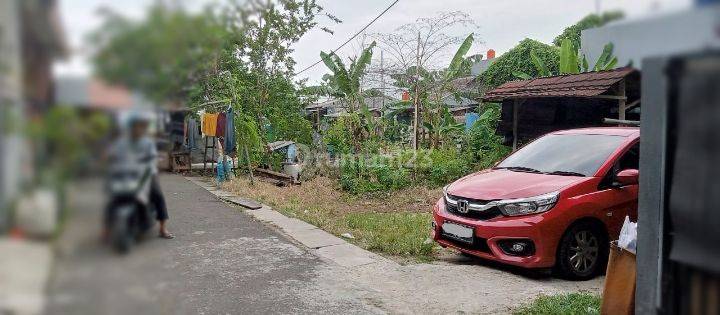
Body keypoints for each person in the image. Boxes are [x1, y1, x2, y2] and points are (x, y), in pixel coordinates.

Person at [104, 114, 174, 240]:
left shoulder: (147, 143)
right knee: (113, 198)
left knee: (157, 195)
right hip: (125, 174)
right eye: (135, 127)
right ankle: (106, 230)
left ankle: (163, 228)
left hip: (146, 174)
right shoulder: (121, 143)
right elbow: (112, 155)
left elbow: (152, 158)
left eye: (141, 127)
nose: (138, 129)